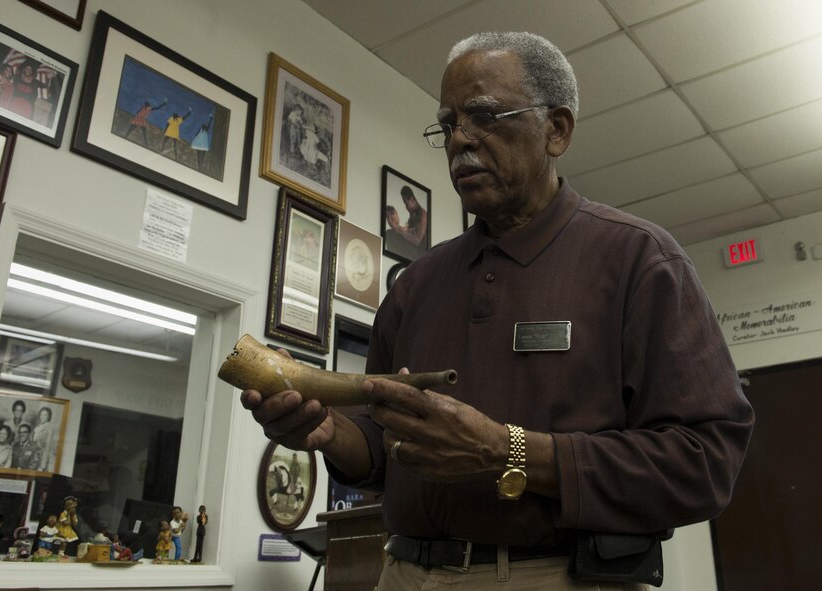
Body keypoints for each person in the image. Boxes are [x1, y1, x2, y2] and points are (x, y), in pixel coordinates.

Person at [240, 31, 754, 589]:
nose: (460, 140)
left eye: (484, 116)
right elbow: (381, 451)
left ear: (555, 130)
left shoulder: (640, 261)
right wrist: (323, 428)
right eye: (449, 123)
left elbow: (704, 462)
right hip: (402, 573)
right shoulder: (416, 284)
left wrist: (507, 452)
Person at [33, 406, 56, 471]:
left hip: (42, 458)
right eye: (41, 414)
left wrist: (43, 465)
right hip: (35, 456)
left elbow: (47, 448)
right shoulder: (38, 428)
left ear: (49, 417)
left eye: (45, 415)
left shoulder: (49, 429)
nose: (42, 417)